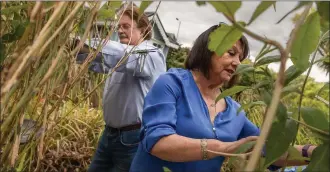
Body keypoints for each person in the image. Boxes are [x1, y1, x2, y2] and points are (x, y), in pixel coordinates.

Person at [129, 24, 316, 172]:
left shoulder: (234, 110)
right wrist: (226, 148)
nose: (237, 62)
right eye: (231, 53)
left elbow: (267, 149)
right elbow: (157, 141)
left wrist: (313, 152)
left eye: (240, 58)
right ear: (208, 49)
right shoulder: (172, 83)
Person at [76, 5, 167, 172]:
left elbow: (123, 55)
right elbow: (96, 62)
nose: (120, 30)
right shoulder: (122, 56)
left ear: (143, 29)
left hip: (132, 138)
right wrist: (72, 50)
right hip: (109, 134)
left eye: (126, 26)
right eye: (118, 26)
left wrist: (80, 43)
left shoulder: (152, 55)